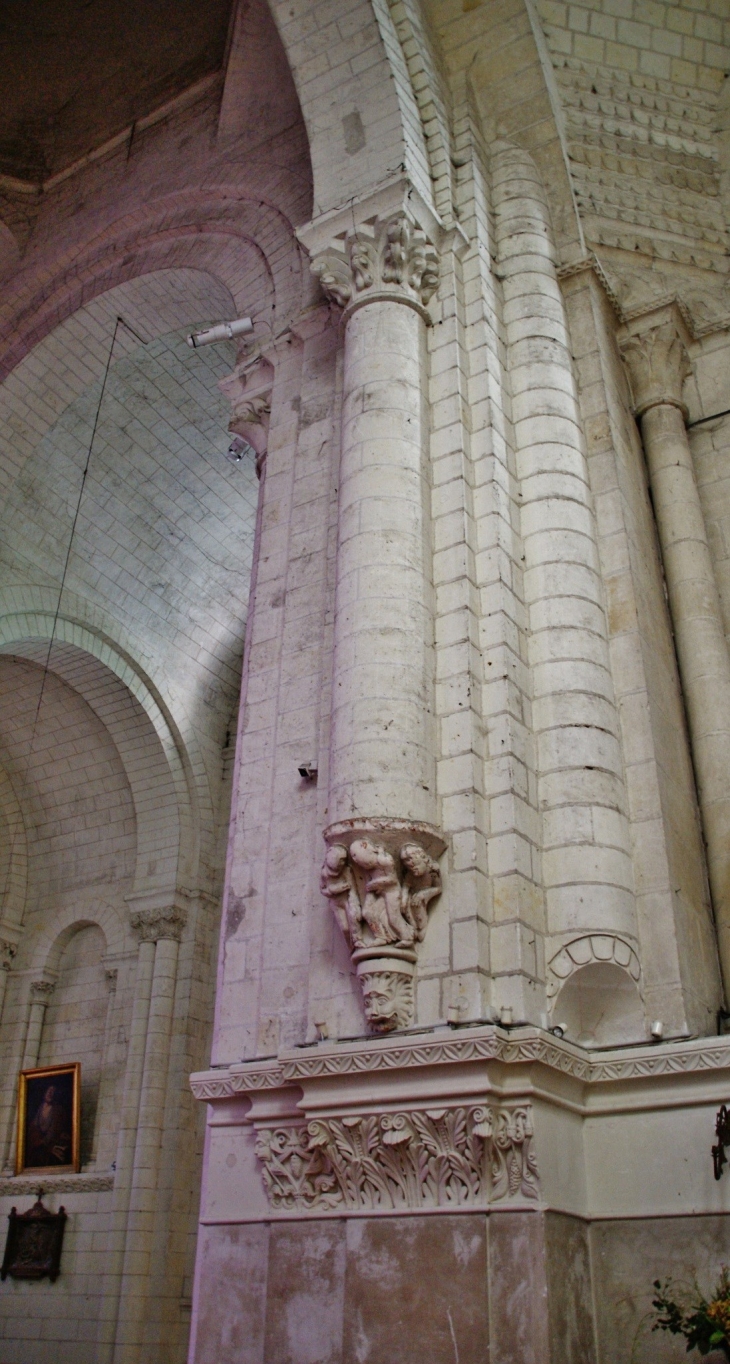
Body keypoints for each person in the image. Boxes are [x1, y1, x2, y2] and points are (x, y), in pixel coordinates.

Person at [26, 1083, 71, 1167]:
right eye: (49, 1091)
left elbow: (54, 1130)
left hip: (53, 1143)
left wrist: (43, 1142)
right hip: (40, 1143)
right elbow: (34, 1126)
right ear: (45, 1092)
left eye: (53, 1092)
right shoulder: (41, 1108)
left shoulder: (58, 1110)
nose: (51, 1094)